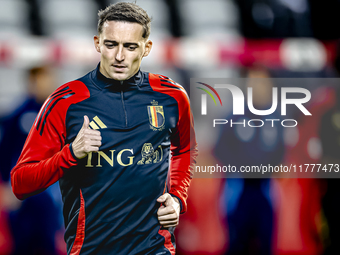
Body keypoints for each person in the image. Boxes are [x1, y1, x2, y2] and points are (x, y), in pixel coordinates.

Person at [10, 2, 198, 255]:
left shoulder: (172, 97)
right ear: (98, 43)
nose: (119, 56)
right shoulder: (65, 102)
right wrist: (70, 154)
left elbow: (184, 150)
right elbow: (21, 183)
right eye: (111, 45)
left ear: (146, 48)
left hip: (155, 248)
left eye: (130, 46)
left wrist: (177, 197)